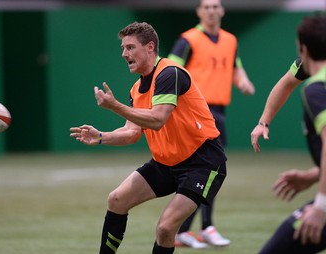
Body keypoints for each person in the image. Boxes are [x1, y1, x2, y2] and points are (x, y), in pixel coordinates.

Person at [70, 21, 227, 254]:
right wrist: (101, 136)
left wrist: (115, 106)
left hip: (201, 162)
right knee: (116, 200)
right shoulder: (136, 89)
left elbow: (157, 119)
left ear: (150, 47)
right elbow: (132, 133)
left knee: (165, 229)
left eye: (130, 47)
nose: (124, 54)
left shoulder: (169, 73)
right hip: (166, 163)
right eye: (123, 48)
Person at [167, 0, 255, 248]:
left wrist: (243, 81)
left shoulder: (230, 40)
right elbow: (170, 69)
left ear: (223, 10)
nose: (212, 10)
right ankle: (195, 228)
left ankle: (192, 229)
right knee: (206, 171)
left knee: (210, 171)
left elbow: (235, 68)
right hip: (195, 110)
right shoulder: (189, 39)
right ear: (198, 11)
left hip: (218, 111)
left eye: (216, 6)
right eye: (206, 7)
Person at [251, 14, 326, 254]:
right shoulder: (310, 75)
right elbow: (285, 84)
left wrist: (321, 207)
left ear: (303, 48)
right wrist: (314, 175)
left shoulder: (317, 89)